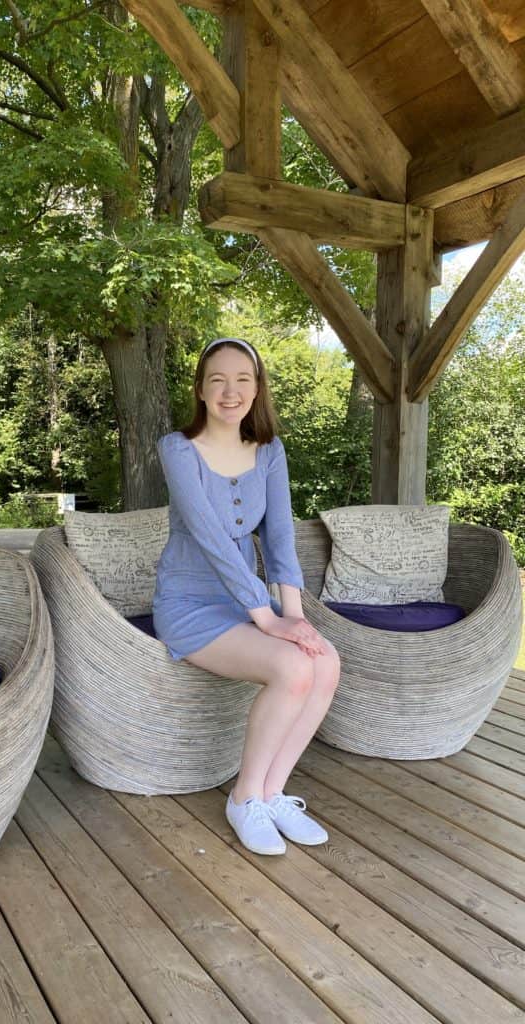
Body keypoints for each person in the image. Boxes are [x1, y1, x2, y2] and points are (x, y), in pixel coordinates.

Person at [153, 337, 340, 855]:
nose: (230, 391)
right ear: (200, 390)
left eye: (242, 379)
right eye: (218, 380)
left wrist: (294, 618)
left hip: (248, 606)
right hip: (189, 605)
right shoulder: (178, 448)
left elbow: (280, 536)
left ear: (257, 389)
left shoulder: (270, 451)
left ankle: (272, 793)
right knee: (293, 669)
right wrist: (267, 617)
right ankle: (243, 800)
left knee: (324, 660)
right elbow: (211, 537)